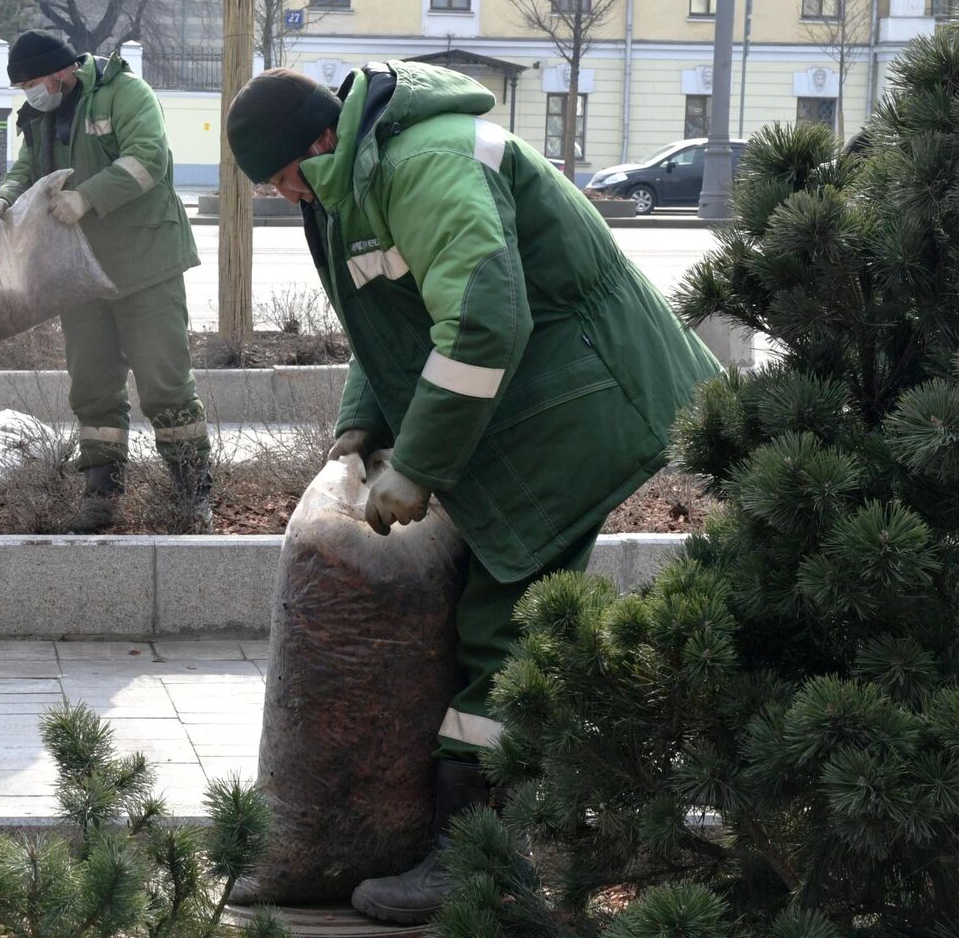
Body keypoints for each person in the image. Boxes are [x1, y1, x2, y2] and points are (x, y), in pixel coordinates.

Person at [225, 62, 720, 924]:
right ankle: (464, 838)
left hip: (590, 395)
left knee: (506, 610)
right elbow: (391, 326)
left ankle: (481, 857)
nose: (281, 193)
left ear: (317, 139)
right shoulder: (362, 178)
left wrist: (419, 467)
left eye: (280, 175)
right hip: (540, 395)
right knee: (489, 603)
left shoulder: (426, 164)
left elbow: (485, 319)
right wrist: (358, 431)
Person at [0, 29, 210, 531]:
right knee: (92, 385)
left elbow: (148, 159)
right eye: (23, 85)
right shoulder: (41, 114)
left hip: (145, 263)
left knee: (164, 382)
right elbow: (27, 166)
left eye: (33, 82)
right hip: (78, 271)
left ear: (61, 71)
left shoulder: (124, 93)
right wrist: (3, 199)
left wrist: (86, 197)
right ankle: (102, 494)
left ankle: (193, 493)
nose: (31, 92)